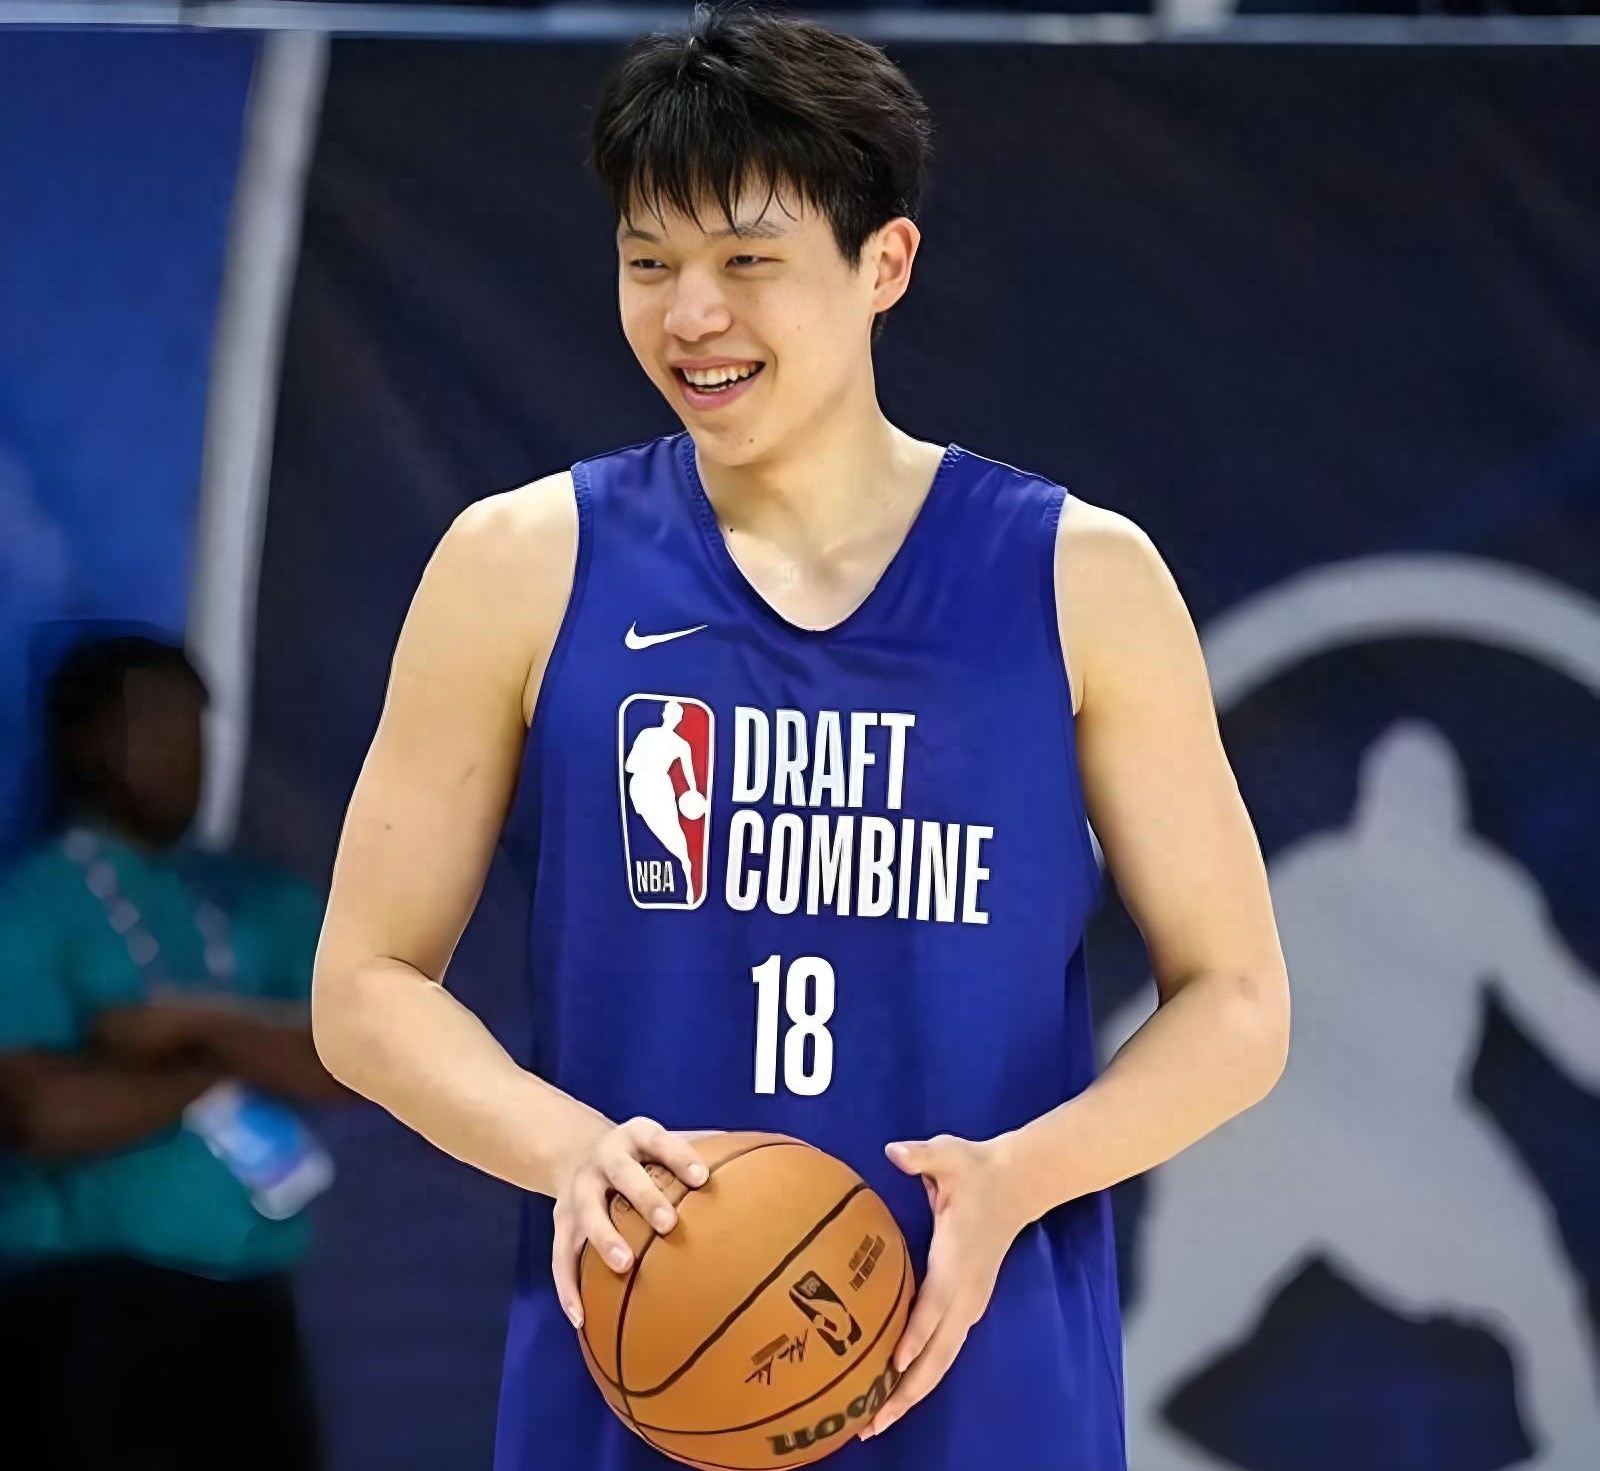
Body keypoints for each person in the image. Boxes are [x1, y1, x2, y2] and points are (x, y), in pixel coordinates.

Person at [310, 8, 1291, 1469]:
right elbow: (362, 986)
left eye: (746, 262)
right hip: (644, 1355)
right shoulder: (519, 563)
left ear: (882, 264)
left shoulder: (1079, 576)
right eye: (650, 263)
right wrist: (565, 1148)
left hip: (979, 1364)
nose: (689, 315)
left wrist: (1020, 1176)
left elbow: (1240, 999)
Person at [0, 633, 345, 1471]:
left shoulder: (262, 898)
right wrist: (218, 1069)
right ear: (83, 739)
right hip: (90, 1312)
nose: (185, 750)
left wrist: (193, 1028)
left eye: (196, 725)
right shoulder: (30, 905)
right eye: (153, 722)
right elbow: (40, 1111)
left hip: (254, 1314)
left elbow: (345, 1064)